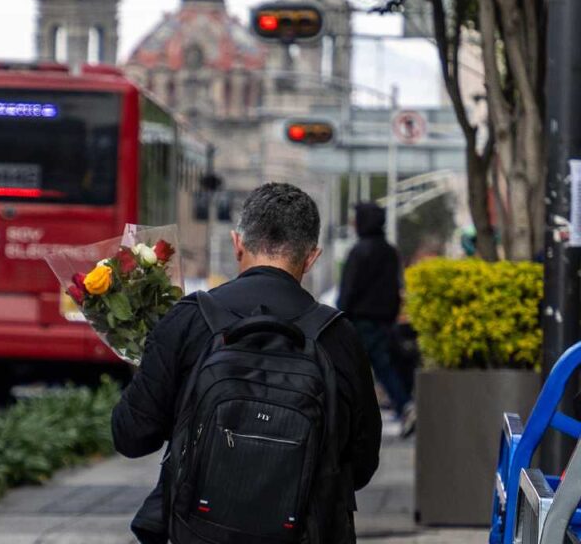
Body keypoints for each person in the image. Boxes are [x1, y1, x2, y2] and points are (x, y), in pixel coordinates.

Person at [112, 183, 382, 544]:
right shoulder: (338, 337)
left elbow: (131, 436)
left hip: (199, 532)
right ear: (311, 257)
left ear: (237, 242)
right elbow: (361, 465)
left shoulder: (191, 320)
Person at [338, 203, 415, 436]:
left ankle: (404, 406)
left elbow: (348, 288)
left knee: (354, 369)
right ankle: (403, 406)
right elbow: (396, 286)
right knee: (381, 367)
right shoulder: (390, 252)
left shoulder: (359, 251)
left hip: (361, 321)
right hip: (385, 321)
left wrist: (341, 314)